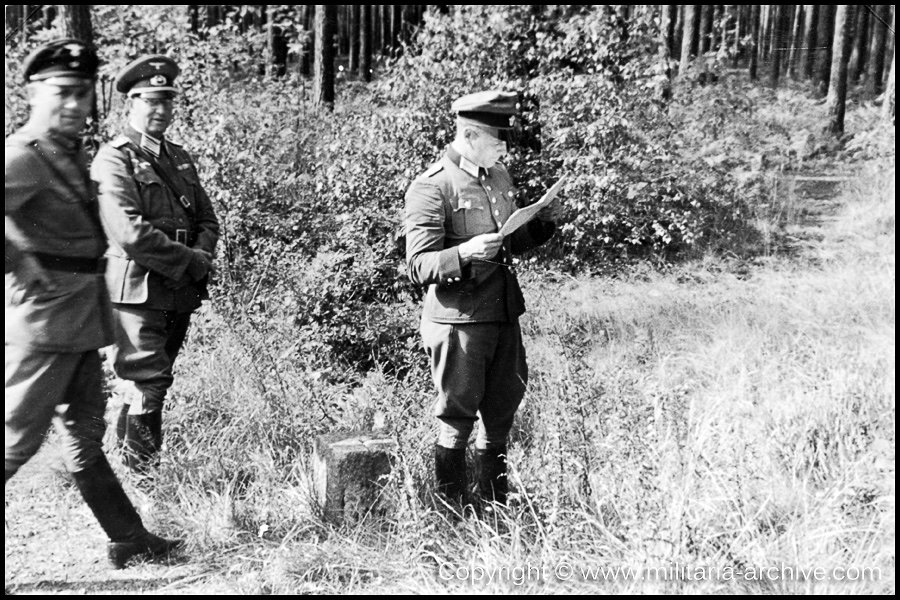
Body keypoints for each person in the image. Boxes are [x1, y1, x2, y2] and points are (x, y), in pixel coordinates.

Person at [5, 38, 183, 568]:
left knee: (85, 432)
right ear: (35, 93)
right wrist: (19, 263)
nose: (74, 105)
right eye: (62, 93)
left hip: (83, 318)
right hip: (46, 323)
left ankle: (127, 536)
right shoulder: (23, 155)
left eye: (82, 94)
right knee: (15, 440)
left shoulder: (65, 153)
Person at [404, 90, 562, 508]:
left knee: (502, 411)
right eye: (497, 139)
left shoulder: (499, 176)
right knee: (456, 418)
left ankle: (493, 508)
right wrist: (464, 254)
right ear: (470, 135)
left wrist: (542, 224)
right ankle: (450, 514)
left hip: (502, 313)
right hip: (459, 322)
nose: (504, 147)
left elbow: (508, 243)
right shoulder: (432, 186)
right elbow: (418, 265)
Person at [91, 55, 219, 473]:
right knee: (150, 380)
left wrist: (200, 255)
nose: (161, 109)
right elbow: (130, 234)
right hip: (137, 289)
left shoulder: (179, 158)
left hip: (178, 289)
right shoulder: (115, 160)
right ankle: (145, 480)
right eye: (151, 100)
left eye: (167, 101)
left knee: (144, 380)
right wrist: (192, 262)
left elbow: (207, 219)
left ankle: (125, 464)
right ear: (131, 103)